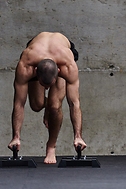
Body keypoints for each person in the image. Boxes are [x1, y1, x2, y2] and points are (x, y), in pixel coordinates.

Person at [8, 32, 87, 164]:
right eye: (43, 85)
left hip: (62, 51)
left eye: (49, 85)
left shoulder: (67, 65)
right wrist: (16, 137)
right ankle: (47, 106)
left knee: (55, 107)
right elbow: (19, 104)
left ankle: (51, 147)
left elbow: (74, 103)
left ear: (59, 73)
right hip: (36, 50)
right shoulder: (26, 64)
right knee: (36, 105)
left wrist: (78, 136)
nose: (46, 89)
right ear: (35, 72)